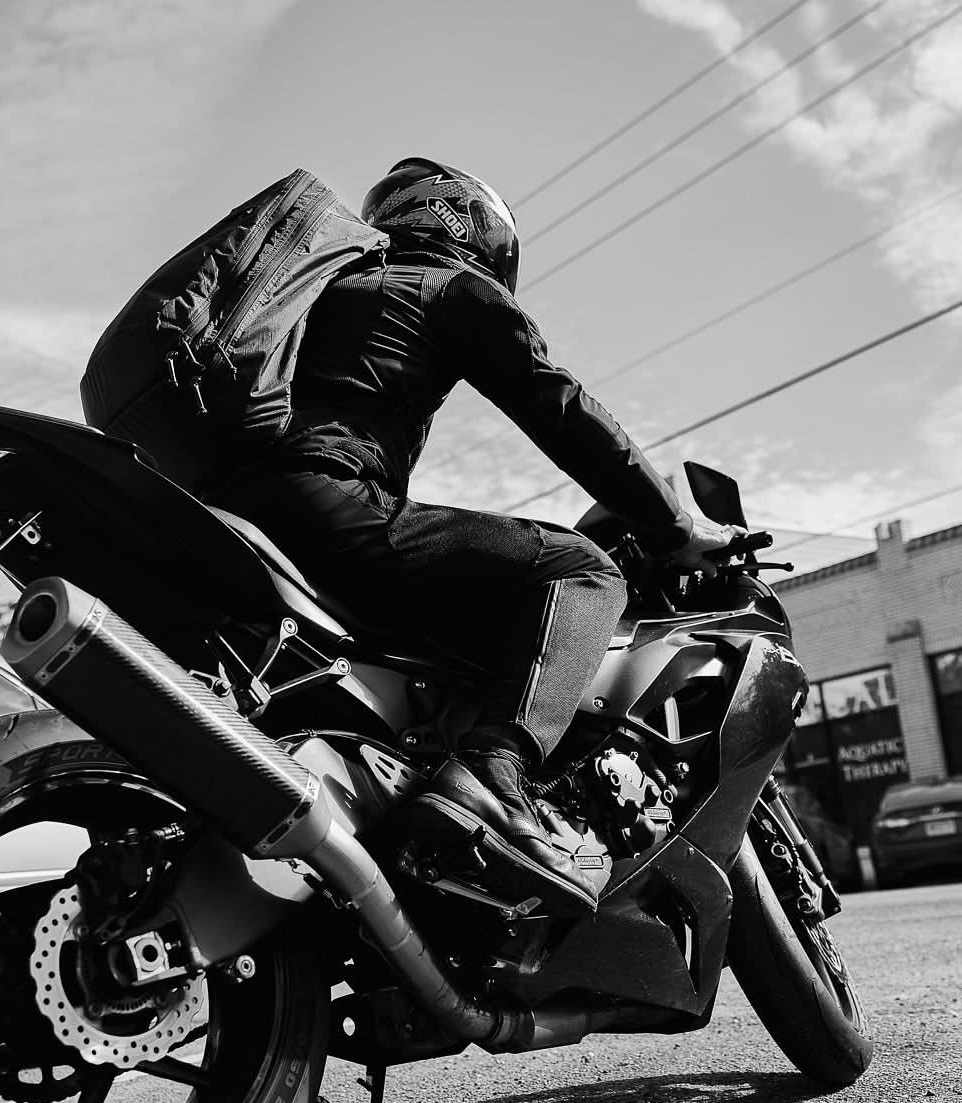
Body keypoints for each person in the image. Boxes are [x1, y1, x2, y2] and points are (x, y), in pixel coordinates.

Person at [212, 157, 738, 915]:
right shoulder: (450, 287)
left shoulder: (320, 293)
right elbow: (558, 406)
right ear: (473, 230)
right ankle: (493, 775)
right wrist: (672, 526)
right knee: (581, 569)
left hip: (239, 512)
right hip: (325, 504)